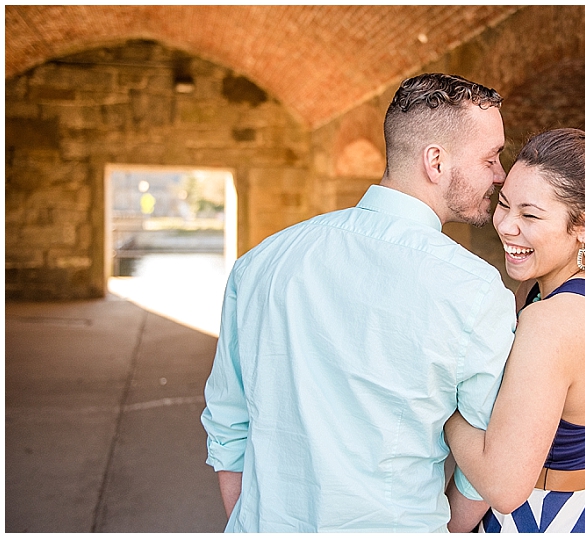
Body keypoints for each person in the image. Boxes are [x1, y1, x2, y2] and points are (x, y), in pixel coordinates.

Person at [200, 73, 517, 532]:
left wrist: (250, 522)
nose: (500, 173)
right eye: (490, 157)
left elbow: (228, 421)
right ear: (436, 161)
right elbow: (485, 452)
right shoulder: (475, 289)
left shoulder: (262, 262)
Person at [444, 128, 585, 533]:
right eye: (503, 205)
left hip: (542, 518)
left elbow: (501, 485)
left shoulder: (555, 320)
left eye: (530, 214)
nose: (506, 226)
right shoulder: (549, 292)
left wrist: (439, 396)